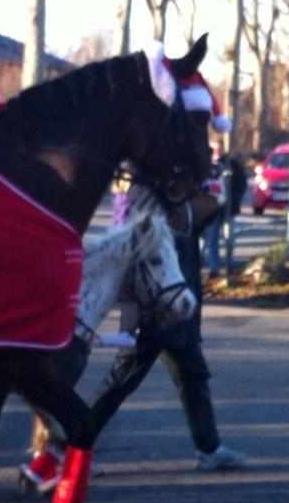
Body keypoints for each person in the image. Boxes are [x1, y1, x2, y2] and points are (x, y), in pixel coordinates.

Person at [87, 183, 246, 471]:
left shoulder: (174, 195)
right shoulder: (146, 196)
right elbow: (139, 257)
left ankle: (209, 447)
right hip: (154, 313)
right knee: (121, 382)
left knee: (193, 377)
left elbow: (195, 226)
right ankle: (73, 446)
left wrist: (211, 200)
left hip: (177, 311)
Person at [203, 142, 248, 277]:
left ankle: (229, 265)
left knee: (229, 239)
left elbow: (242, 182)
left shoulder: (232, 164)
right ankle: (214, 269)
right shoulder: (205, 163)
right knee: (212, 240)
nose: (216, 150)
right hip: (212, 210)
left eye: (219, 147)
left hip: (228, 209)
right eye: (214, 147)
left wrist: (236, 199)